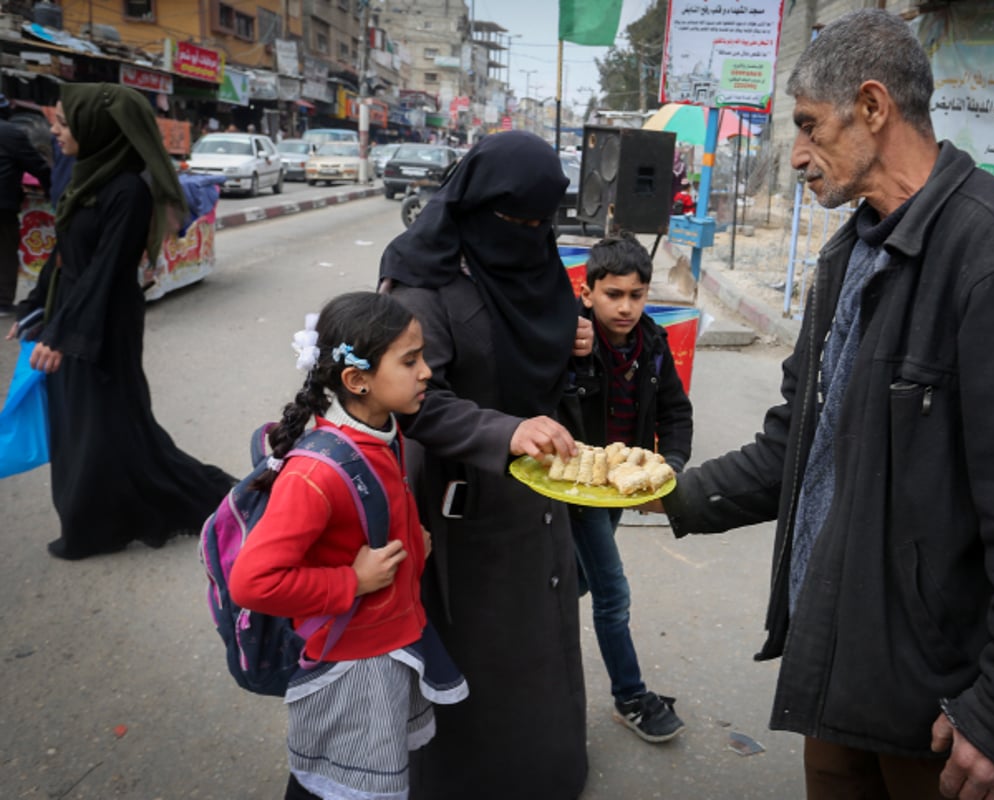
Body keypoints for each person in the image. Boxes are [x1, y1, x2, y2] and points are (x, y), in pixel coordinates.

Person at [650, 10, 994, 800]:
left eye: (808, 126)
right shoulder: (852, 253)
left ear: (873, 108)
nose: (796, 155)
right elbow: (802, 443)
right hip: (841, 664)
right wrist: (661, 491)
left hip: (943, 697)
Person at [378, 130, 590, 799]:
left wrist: (576, 338)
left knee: (543, 636)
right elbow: (418, 403)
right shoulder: (421, 281)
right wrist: (506, 432)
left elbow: (541, 333)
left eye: (540, 222)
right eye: (516, 221)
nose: (529, 234)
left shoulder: (529, 255)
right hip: (461, 499)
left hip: (542, 485)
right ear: (476, 203)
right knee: (482, 647)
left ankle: (550, 767)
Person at [230, 291, 467, 800]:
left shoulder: (385, 430)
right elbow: (252, 582)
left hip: (390, 642)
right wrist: (352, 581)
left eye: (421, 355)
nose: (426, 371)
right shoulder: (315, 474)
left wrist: (412, 540)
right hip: (353, 664)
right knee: (336, 787)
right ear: (357, 380)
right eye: (410, 360)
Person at [6, 83, 234, 559]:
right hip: (75, 309)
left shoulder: (127, 190)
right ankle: (105, 514)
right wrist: (36, 308)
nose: (54, 129)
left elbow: (107, 273)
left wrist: (64, 334)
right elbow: (66, 255)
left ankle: (104, 524)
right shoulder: (82, 175)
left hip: (104, 321)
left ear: (97, 128)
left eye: (64, 123)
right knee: (86, 423)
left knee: (102, 425)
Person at [559, 232, 693, 743]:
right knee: (611, 592)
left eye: (636, 295)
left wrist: (671, 463)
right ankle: (631, 697)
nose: (626, 307)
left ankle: (521, 636)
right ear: (588, 292)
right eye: (613, 295)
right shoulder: (569, 338)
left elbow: (675, 411)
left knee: (578, 579)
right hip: (573, 489)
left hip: (620, 491)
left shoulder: (654, 346)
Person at [0, 93, 52, 314]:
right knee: (4, 252)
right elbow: (39, 167)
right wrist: (55, 191)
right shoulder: (12, 133)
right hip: (3, 205)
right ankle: (2, 302)